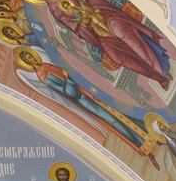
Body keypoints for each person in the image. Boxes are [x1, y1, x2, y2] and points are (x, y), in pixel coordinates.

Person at [23, 0, 171, 88]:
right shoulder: (54, 10)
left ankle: (160, 68)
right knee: (117, 57)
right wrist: (83, 23)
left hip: (105, 17)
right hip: (95, 31)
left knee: (126, 37)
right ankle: (157, 76)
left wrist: (90, 7)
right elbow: (73, 26)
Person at [16, 49, 151, 157]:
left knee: (117, 108)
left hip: (88, 89)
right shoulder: (44, 77)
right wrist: (67, 77)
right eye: (29, 59)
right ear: (27, 63)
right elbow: (69, 93)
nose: (32, 59)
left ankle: (146, 130)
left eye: (31, 56)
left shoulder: (47, 65)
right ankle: (138, 141)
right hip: (83, 98)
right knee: (112, 119)